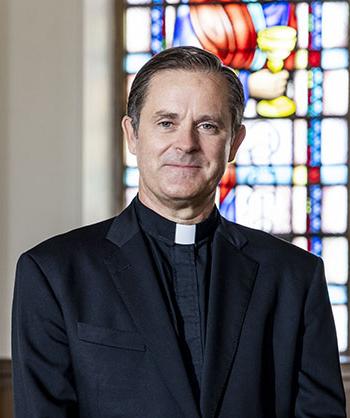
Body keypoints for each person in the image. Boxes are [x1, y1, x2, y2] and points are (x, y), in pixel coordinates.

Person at [12, 46, 346, 418]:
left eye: (208, 125)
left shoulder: (294, 277)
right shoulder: (54, 273)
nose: (186, 144)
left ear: (234, 142)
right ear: (133, 135)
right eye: (166, 122)